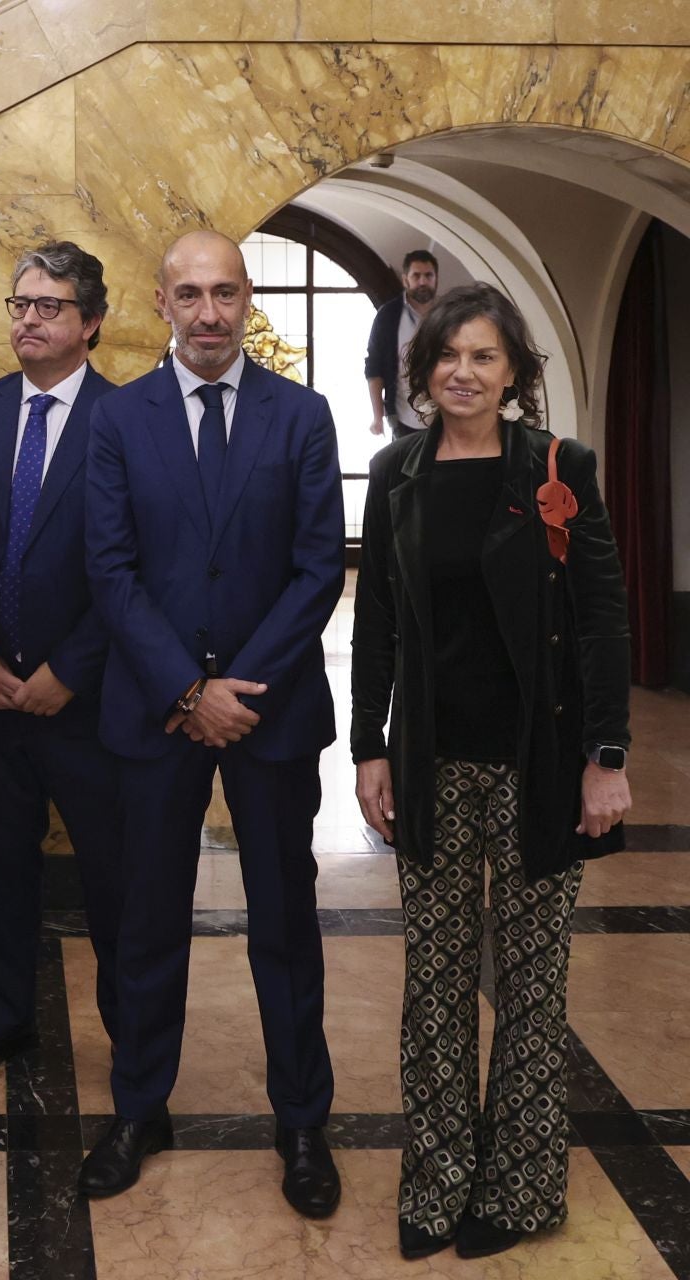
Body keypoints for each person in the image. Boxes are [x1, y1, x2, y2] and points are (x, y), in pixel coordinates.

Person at [351, 283, 631, 1262]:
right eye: (445, 357)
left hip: (539, 763)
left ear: (513, 369)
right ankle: (436, 1182)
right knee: (432, 982)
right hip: (431, 761)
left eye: (482, 355)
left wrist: (608, 756)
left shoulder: (560, 466)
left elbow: (601, 617)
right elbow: (377, 620)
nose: (462, 372)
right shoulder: (397, 473)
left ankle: (519, 1186)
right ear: (421, 373)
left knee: (530, 981)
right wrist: (367, 745)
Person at [82, 230, 345, 1216]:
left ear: (247, 300)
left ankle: (303, 1119)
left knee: (286, 922)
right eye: (188, 293)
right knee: (147, 921)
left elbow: (320, 566)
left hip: (271, 716)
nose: (207, 311)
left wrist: (238, 687)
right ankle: (139, 1107)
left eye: (224, 292)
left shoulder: (303, 415)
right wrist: (188, 694)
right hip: (154, 716)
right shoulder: (119, 419)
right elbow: (108, 569)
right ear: (160, 302)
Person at [0, 242, 124, 1085]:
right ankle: (3, 1018)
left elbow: (139, 564)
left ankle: (132, 1035)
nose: (29, 319)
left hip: (88, 701)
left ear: (91, 321)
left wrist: (71, 668)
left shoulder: (130, 421)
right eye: (20, 304)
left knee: (113, 884)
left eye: (48, 306)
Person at [366, 250, 439, 439]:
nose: (423, 282)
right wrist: (377, 416)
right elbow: (374, 367)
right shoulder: (388, 316)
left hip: (443, 416)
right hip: (402, 414)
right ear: (405, 279)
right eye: (416, 276)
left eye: (428, 275)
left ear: (436, 279)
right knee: (403, 467)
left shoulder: (447, 315)